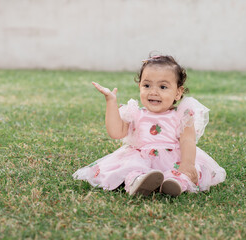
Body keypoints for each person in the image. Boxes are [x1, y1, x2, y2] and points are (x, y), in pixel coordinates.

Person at [73, 54, 226, 196]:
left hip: (173, 157)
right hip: (140, 156)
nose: (153, 92)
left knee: (180, 172)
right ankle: (138, 181)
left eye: (163, 87)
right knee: (131, 167)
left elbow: (188, 141)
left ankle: (173, 184)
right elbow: (116, 132)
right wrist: (111, 101)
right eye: (147, 85)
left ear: (178, 93)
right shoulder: (134, 112)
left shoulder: (182, 115)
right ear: (139, 86)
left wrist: (187, 164)